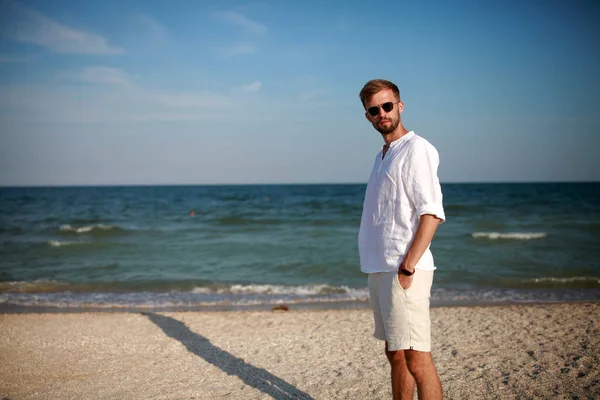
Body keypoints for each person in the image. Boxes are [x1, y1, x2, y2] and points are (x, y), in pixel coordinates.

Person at [358, 79, 445, 400]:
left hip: (404, 269)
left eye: (387, 106)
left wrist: (408, 265)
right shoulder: (383, 155)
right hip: (380, 268)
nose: (382, 113)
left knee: (417, 357)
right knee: (395, 353)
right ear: (367, 116)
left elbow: (432, 212)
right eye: (373, 110)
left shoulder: (416, 148)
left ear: (400, 106)